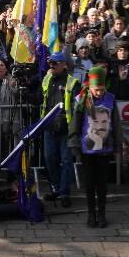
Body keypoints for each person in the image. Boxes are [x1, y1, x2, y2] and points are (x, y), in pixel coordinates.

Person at [69, 66, 117, 228]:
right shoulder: (81, 100)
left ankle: (102, 213)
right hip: (87, 149)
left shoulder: (111, 99)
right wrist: (74, 146)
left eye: (102, 89)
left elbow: (116, 123)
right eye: (96, 90)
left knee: (102, 183)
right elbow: (75, 125)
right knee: (89, 183)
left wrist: (118, 144)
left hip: (105, 148)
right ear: (90, 87)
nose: (99, 93)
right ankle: (91, 214)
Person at [40, 51, 80, 207]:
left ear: (64, 64)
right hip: (49, 128)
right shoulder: (47, 79)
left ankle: (64, 193)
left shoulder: (73, 83)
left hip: (66, 130)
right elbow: (42, 98)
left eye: (55, 63)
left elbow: (77, 107)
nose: (51, 65)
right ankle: (56, 188)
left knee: (66, 162)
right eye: (50, 63)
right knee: (50, 159)